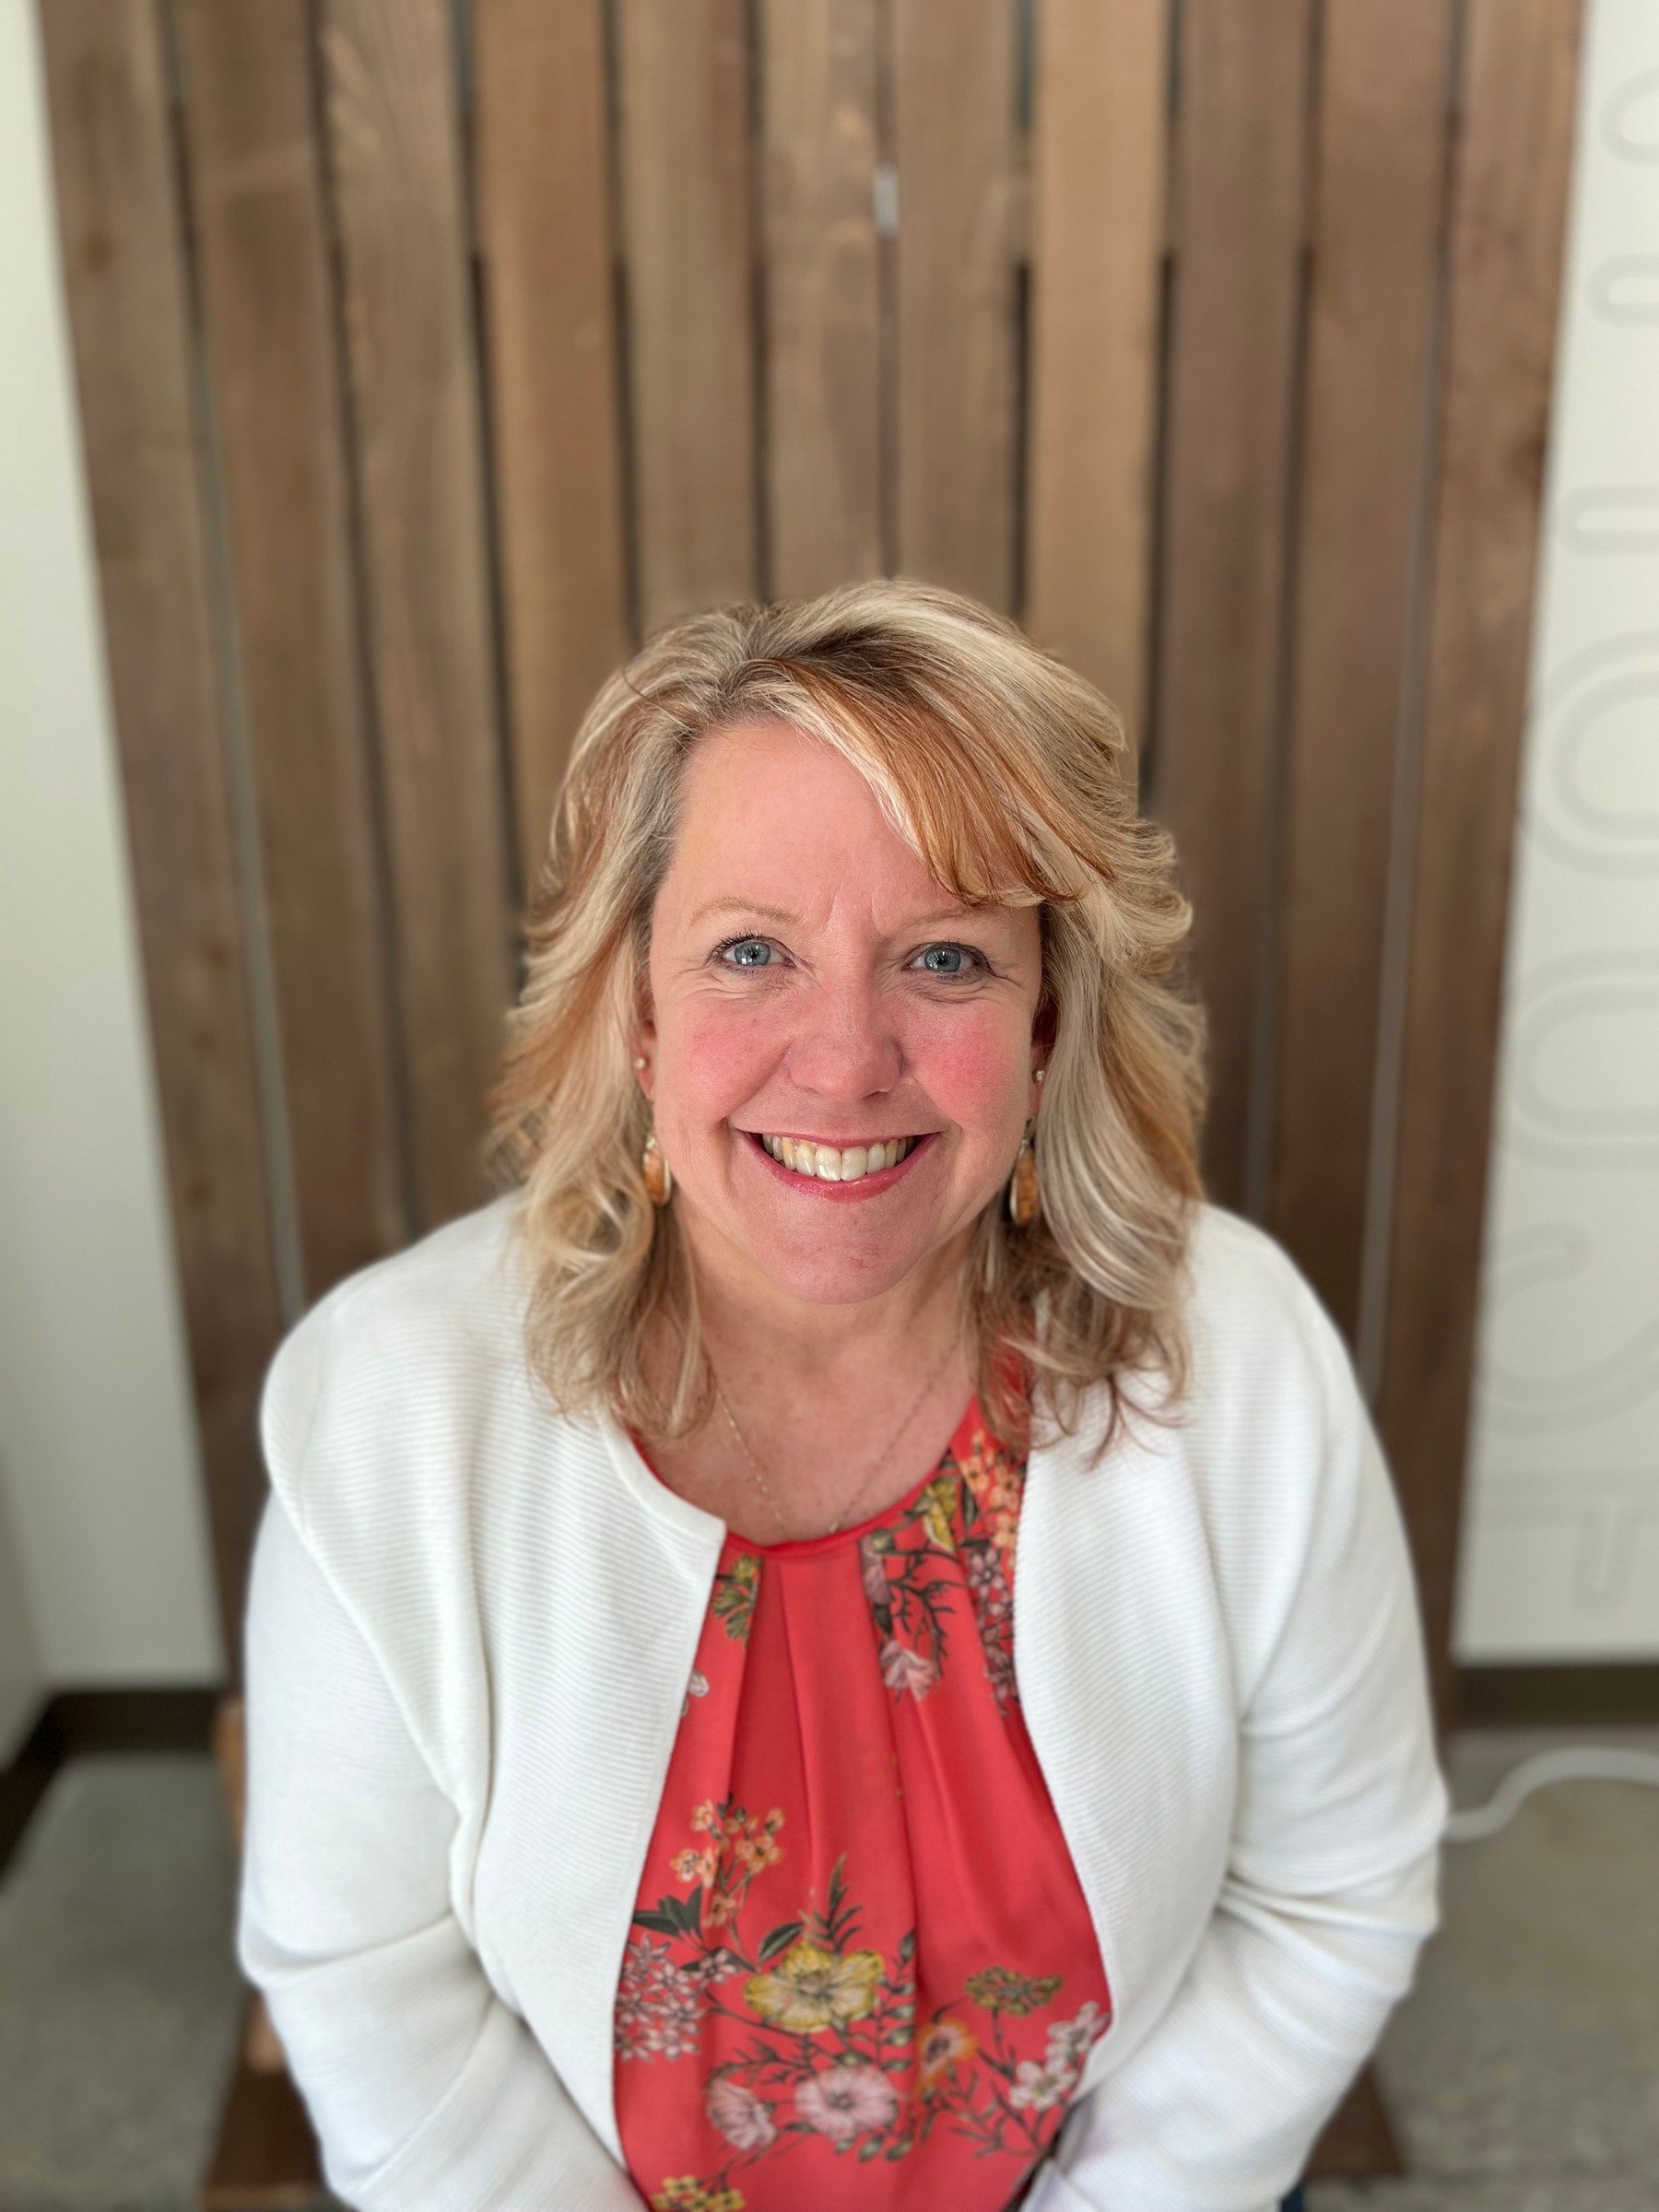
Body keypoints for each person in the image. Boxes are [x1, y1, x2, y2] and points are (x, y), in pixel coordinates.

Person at [236, 580, 1448, 2212]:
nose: (844, 1056)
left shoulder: (1238, 1354)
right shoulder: (384, 1411)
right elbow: (365, 1990)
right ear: (640, 1012)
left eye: (943, 956)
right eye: (752, 950)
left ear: (1044, 1023)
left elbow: (1336, 1894)